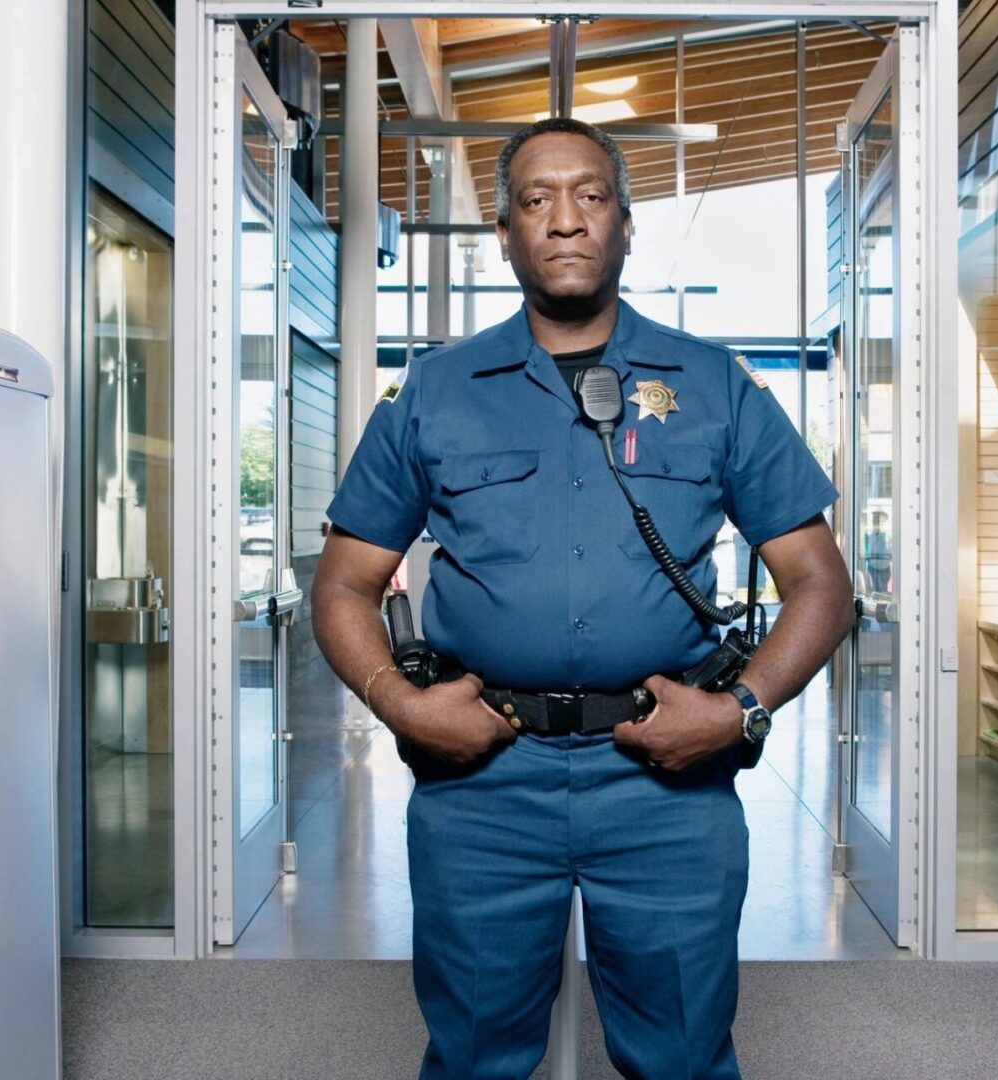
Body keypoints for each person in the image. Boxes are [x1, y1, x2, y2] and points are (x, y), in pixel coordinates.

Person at [311, 116, 853, 1080]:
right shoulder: (434, 391)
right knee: (474, 1051)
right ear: (506, 232)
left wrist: (739, 711)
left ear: (626, 223)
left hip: (665, 777)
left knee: (682, 1052)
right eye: (536, 200)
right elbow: (344, 585)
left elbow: (819, 583)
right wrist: (402, 706)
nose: (566, 221)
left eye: (591, 196)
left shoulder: (714, 385)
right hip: (481, 779)